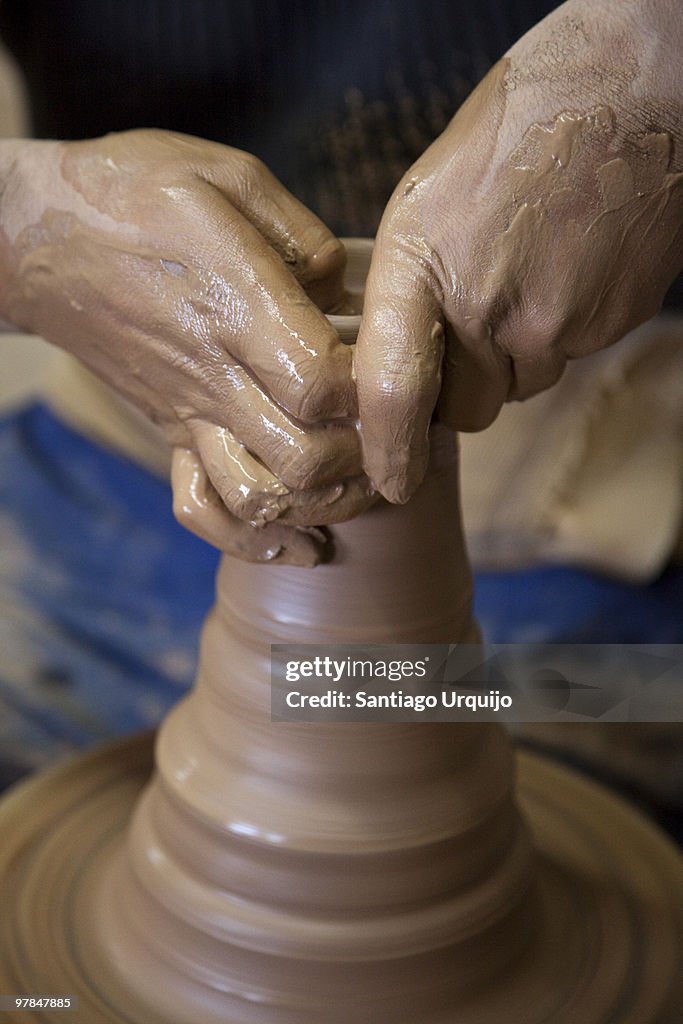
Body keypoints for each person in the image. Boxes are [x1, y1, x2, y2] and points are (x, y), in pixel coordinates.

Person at [0, 0, 680, 566]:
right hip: (131, 456)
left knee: (587, 707)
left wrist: (659, 62)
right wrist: (22, 223)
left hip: (622, 490)